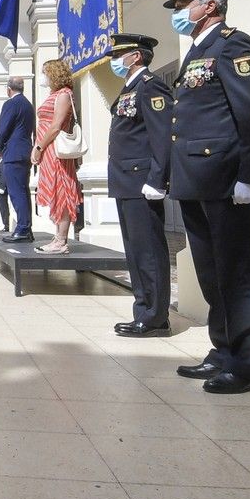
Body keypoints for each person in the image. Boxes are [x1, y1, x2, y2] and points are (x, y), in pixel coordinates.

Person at [162, 0, 250, 395]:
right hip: (196, 180)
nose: (177, 13)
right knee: (212, 273)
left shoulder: (232, 44)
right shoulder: (197, 52)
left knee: (238, 271)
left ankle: (248, 362)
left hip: (226, 178)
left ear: (209, 5)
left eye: (183, 5)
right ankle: (224, 349)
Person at [105, 33, 173, 337]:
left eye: (120, 55)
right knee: (134, 251)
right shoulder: (129, 88)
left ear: (136, 56)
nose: (115, 61)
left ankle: (155, 316)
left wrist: (158, 179)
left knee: (148, 251)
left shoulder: (150, 86)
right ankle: (144, 309)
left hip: (141, 180)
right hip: (125, 181)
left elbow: (162, 135)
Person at [31, 60, 83, 253]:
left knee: (61, 190)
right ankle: (57, 237)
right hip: (48, 149)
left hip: (56, 149)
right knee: (54, 191)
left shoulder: (64, 94)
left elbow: (56, 125)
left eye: (45, 72)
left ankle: (61, 241)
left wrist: (39, 146)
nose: (43, 76)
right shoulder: (53, 94)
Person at [0, 76, 35, 243]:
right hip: (25, 152)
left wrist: (0, 148)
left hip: (13, 154)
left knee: (16, 193)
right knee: (24, 192)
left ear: (8, 89)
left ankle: (23, 229)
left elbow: (2, 130)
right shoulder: (28, 104)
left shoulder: (10, 103)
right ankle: (26, 227)